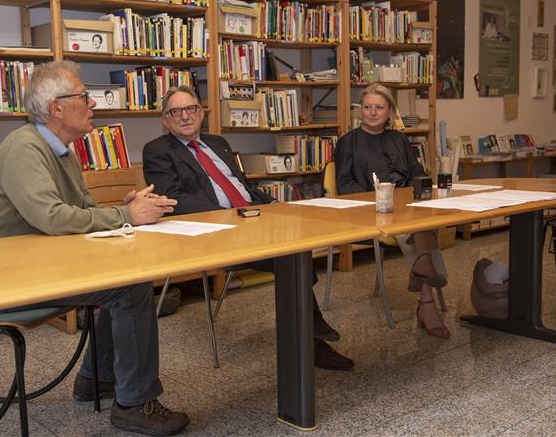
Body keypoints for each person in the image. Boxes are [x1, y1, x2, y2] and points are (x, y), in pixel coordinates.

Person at [0, 61, 189, 436]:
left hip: (39, 264)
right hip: (7, 279)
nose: (93, 105)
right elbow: (54, 218)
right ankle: (134, 404)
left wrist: (125, 207)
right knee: (133, 286)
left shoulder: (60, 150)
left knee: (124, 278)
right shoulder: (25, 148)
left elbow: (82, 212)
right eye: (84, 97)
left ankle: (98, 379)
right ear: (56, 107)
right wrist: (125, 215)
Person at [142, 85, 355, 370]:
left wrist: (277, 206)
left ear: (201, 113)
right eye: (175, 112)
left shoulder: (217, 143)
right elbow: (173, 199)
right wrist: (228, 216)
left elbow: (244, 186)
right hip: (210, 233)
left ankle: (309, 334)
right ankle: (311, 340)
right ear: (165, 121)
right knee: (289, 257)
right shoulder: (157, 150)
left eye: (190, 108)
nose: (184, 116)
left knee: (297, 246)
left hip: (251, 220)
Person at [333, 83, 451, 339]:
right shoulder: (347, 143)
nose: (372, 113)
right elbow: (344, 186)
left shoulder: (398, 138)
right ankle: (426, 296)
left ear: (390, 112)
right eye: (367, 107)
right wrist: (380, 198)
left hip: (405, 205)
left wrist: (417, 192)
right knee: (416, 226)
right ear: (360, 110)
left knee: (420, 217)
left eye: (379, 107)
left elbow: (417, 172)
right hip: (370, 208)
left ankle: (422, 269)